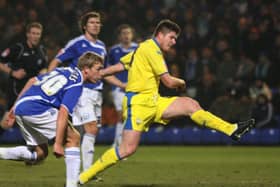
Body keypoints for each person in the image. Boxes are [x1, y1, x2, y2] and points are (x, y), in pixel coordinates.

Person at [78, 19, 255, 184]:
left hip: (154, 101)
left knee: (189, 105)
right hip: (138, 105)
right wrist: (182, 82)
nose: (174, 42)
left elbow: (122, 66)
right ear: (160, 35)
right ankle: (84, 177)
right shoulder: (152, 50)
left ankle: (232, 129)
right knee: (126, 149)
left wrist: (99, 74)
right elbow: (169, 82)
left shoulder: (143, 48)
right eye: (172, 37)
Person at [0, 51, 104, 187]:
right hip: (37, 108)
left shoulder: (64, 70)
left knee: (40, 154)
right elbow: (63, 111)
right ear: (86, 69)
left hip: (22, 106)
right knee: (73, 137)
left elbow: (32, 81)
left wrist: (14, 108)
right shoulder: (76, 84)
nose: (100, 73)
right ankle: (72, 185)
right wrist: (58, 143)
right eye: (98, 69)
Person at [48, 11, 125, 172]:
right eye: (92, 22)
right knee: (91, 128)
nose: (96, 25)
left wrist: (123, 85)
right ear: (84, 26)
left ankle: (80, 171)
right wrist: (50, 83)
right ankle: (88, 172)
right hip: (80, 91)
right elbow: (56, 60)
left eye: (98, 23)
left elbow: (102, 73)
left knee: (86, 133)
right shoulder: (76, 43)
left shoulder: (102, 46)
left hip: (97, 93)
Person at [0, 22, 48, 127]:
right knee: (9, 119)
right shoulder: (18, 48)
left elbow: (44, 67)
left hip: (33, 89)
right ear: (27, 34)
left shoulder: (42, 50)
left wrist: (43, 72)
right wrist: (13, 72)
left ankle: (34, 141)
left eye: (38, 34)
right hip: (16, 88)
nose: (35, 36)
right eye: (33, 33)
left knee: (31, 116)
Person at [106, 24, 138, 147]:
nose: (126, 36)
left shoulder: (138, 48)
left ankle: (121, 144)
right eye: (124, 33)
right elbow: (108, 69)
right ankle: (118, 144)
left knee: (129, 116)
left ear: (132, 35)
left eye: (128, 33)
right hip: (118, 88)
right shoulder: (114, 50)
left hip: (134, 87)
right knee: (121, 114)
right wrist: (116, 84)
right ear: (119, 36)